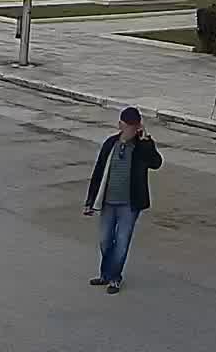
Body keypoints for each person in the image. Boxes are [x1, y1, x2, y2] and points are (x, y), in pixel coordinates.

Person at [83, 107, 163, 294]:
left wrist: (147, 140)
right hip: (108, 202)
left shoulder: (141, 147)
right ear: (120, 125)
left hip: (129, 204)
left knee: (121, 242)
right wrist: (90, 201)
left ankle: (115, 278)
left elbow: (156, 163)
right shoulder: (110, 144)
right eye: (128, 127)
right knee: (104, 240)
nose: (130, 132)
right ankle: (105, 273)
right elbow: (98, 172)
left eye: (134, 128)